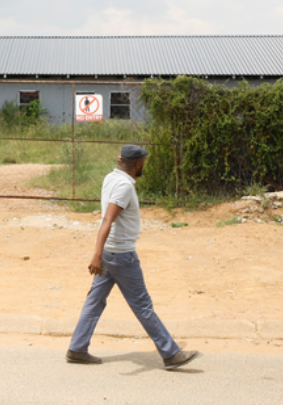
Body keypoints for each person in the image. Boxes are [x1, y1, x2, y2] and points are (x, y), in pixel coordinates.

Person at [66, 144, 199, 370]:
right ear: (137, 164)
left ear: (120, 161)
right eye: (143, 163)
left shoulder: (111, 177)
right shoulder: (124, 186)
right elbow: (108, 219)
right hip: (120, 256)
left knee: (95, 300)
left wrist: (101, 254)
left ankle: (77, 349)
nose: (143, 166)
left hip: (109, 255)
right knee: (142, 305)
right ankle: (170, 353)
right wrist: (96, 254)